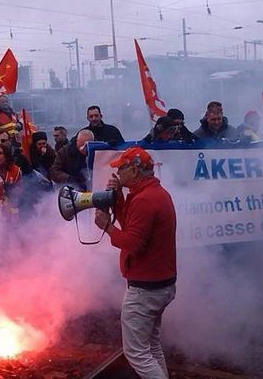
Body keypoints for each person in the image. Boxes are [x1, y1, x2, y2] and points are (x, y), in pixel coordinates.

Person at [93, 146, 176, 379]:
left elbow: (132, 242)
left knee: (136, 353)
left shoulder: (145, 200)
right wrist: (118, 198)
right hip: (160, 284)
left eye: (122, 167)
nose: (118, 172)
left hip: (145, 289)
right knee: (151, 345)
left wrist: (106, 227)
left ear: (135, 170)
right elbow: (132, 224)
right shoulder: (153, 193)